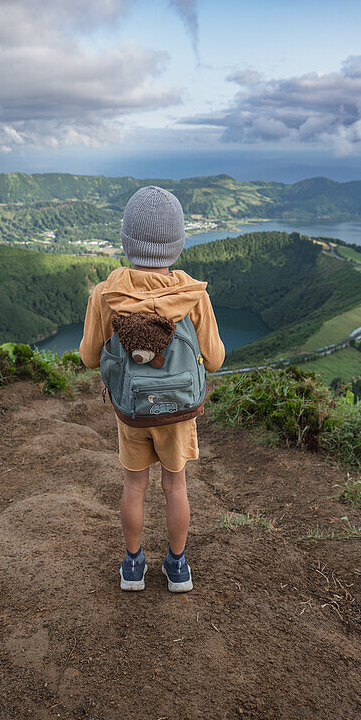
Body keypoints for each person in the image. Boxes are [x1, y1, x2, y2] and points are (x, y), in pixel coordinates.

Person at [80, 186, 225, 593]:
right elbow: (214, 360)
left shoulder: (107, 294)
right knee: (175, 486)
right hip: (178, 413)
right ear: (178, 244)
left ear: (126, 241)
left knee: (134, 486)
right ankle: (177, 567)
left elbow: (90, 357)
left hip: (132, 411)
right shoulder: (194, 296)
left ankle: (133, 566)